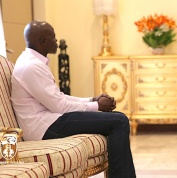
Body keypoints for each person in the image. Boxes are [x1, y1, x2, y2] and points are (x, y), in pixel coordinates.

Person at [11, 20, 136, 178]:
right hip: (45, 128)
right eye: (53, 37)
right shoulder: (31, 66)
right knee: (119, 121)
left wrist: (92, 100)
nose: (56, 41)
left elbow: (58, 98)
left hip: (51, 120)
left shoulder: (33, 62)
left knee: (118, 118)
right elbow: (60, 106)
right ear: (43, 41)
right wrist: (97, 105)